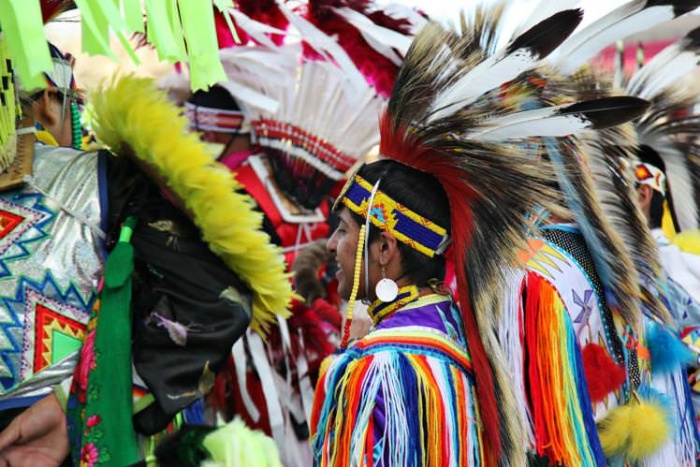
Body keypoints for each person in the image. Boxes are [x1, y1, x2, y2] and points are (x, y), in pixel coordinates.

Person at [309, 10, 650, 463]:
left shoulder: (375, 368)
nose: (332, 244)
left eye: (344, 231)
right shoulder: (473, 335)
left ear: (387, 248)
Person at [0, 40, 291, 466]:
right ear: (46, 101)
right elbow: (213, 302)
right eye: (72, 101)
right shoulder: (103, 181)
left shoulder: (101, 183)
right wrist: (78, 402)